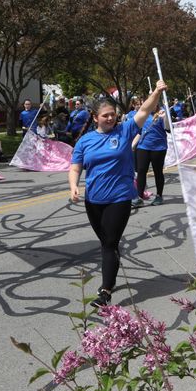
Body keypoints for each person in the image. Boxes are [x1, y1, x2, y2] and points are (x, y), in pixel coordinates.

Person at [69, 79, 168, 308]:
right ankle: (111, 273)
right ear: (95, 118)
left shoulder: (125, 131)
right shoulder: (85, 141)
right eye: (105, 116)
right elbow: (75, 167)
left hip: (119, 198)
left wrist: (156, 92)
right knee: (106, 242)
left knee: (110, 242)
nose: (111, 118)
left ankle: (105, 291)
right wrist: (73, 185)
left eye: (113, 114)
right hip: (93, 200)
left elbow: (144, 110)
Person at [131, 107, 169, 208]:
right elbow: (140, 132)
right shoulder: (143, 114)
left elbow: (168, 129)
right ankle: (139, 197)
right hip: (143, 146)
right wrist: (132, 145)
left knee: (158, 171)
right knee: (141, 171)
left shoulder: (162, 113)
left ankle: (159, 196)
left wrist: (165, 117)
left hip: (159, 148)